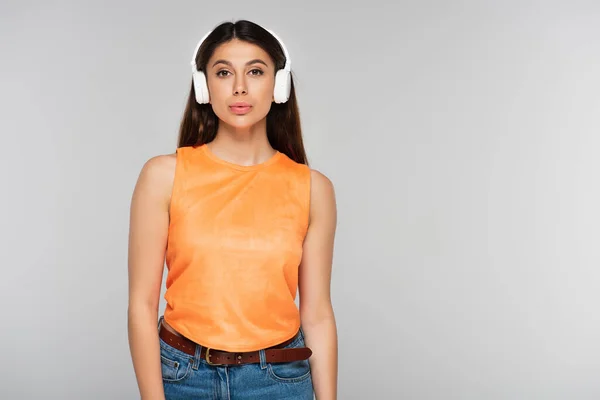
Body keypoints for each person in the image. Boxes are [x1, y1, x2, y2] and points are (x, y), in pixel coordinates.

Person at [127, 19, 338, 399]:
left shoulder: (313, 188)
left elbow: (318, 314)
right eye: (223, 72)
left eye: (255, 71)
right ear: (203, 85)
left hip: (279, 381)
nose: (239, 87)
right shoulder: (163, 175)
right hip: (183, 377)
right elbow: (141, 306)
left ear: (279, 83)